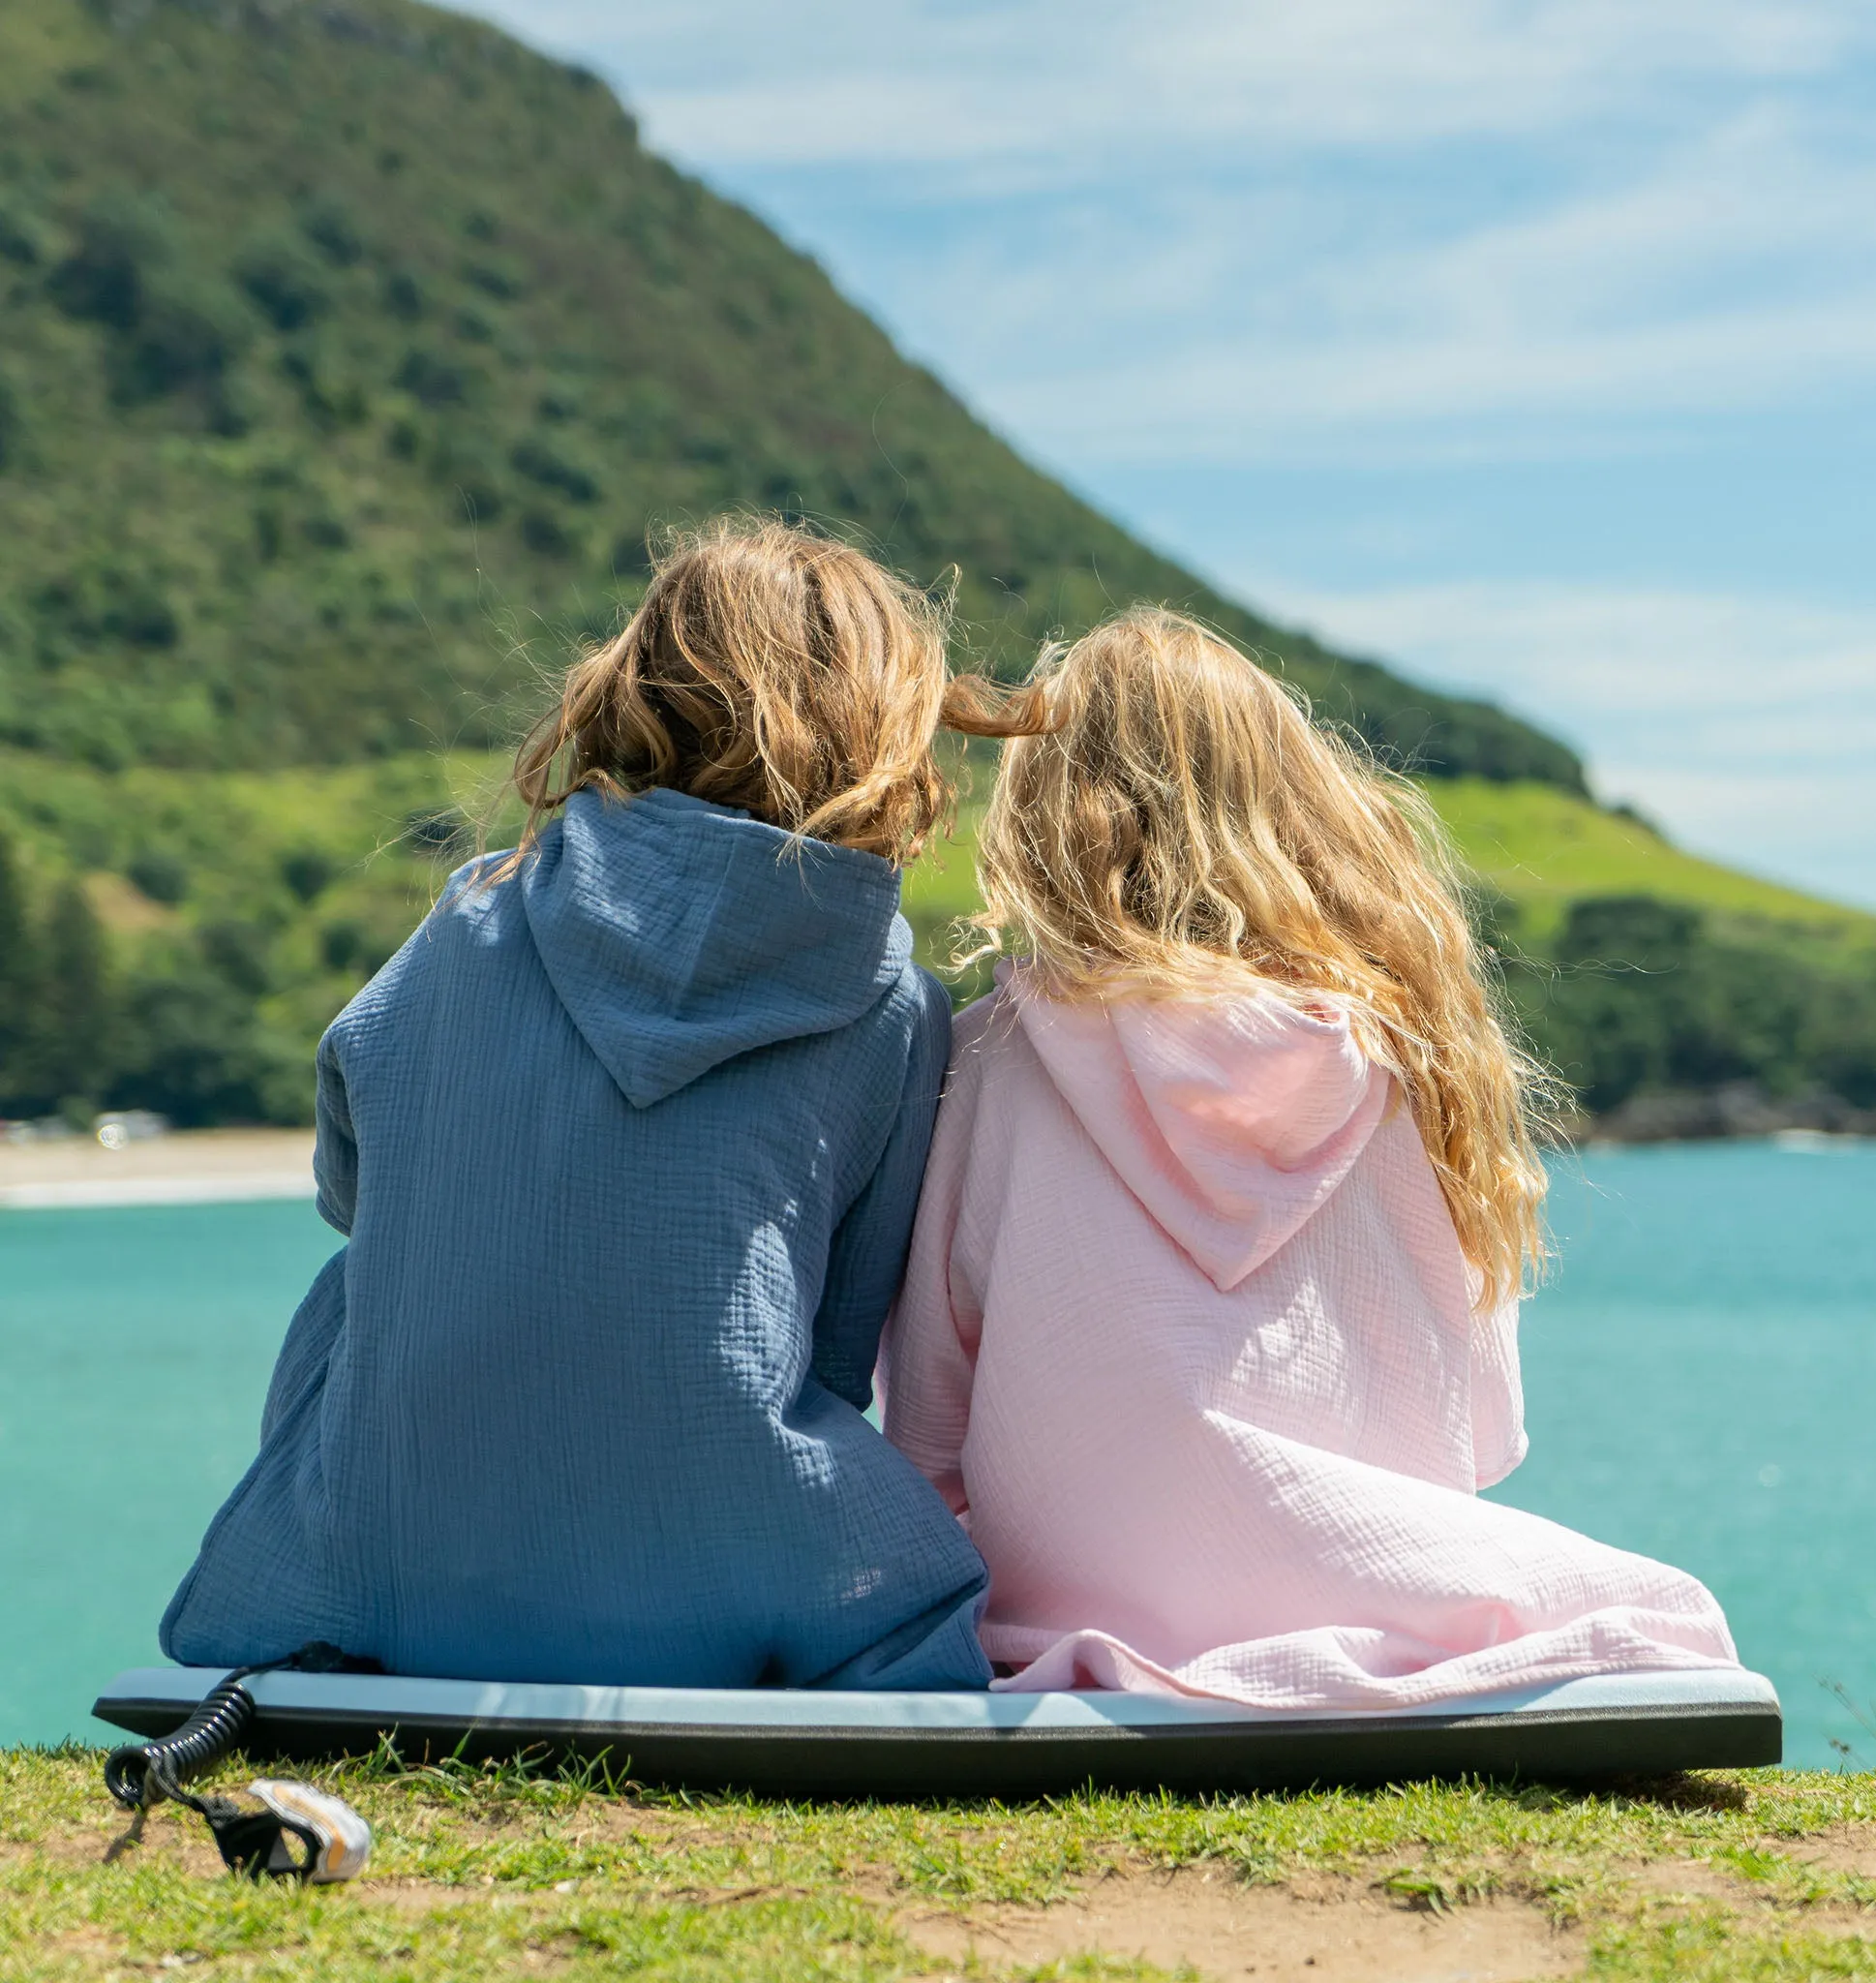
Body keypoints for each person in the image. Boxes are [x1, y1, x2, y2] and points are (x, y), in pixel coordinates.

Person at [163, 519, 992, 1690]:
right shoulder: (891, 1007)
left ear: (635, 681)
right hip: (730, 1578)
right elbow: (842, 1340)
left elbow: (358, 1192)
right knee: (911, 1590)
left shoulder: (463, 922)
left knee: (356, 1288)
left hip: (396, 1573)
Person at [880, 608, 1739, 1706]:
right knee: (1661, 1613)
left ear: (1052, 815)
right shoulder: (1407, 1056)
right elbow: (1484, 1430)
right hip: (1385, 1589)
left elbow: (927, 1436)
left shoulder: (988, 1061)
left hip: (1071, 1618)